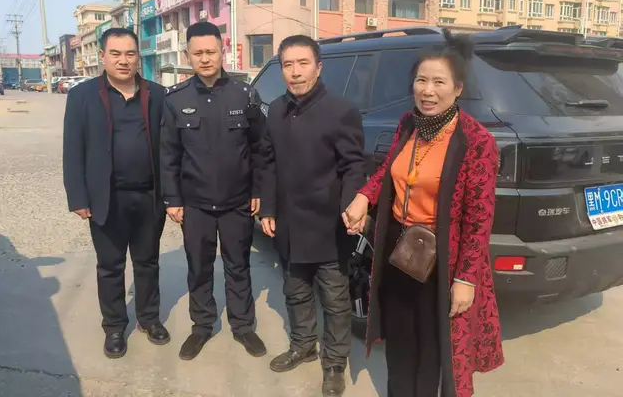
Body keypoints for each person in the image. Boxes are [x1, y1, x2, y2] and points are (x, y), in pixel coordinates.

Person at [343, 30, 504, 397]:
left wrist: (466, 279)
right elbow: (388, 171)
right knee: (400, 340)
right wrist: (363, 197)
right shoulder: (408, 124)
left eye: (439, 82)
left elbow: (479, 219)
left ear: (458, 89)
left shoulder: (476, 141)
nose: (428, 91)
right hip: (399, 250)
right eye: (421, 80)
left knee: (432, 348)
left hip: (442, 259)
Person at [259, 35, 366, 397]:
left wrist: (351, 206)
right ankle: (303, 345)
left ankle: (334, 364)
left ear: (318, 67)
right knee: (295, 290)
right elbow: (268, 163)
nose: (295, 72)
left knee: (335, 300)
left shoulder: (340, 110)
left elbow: (353, 166)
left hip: (328, 223)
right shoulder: (276, 110)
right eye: (288, 65)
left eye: (303, 63)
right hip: (289, 222)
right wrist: (268, 208)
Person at [160, 22, 266, 361]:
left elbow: (260, 147)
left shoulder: (244, 94)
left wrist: (258, 190)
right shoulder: (175, 99)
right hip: (195, 204)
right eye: (198, 53)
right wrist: (172, 199)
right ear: (188, 55)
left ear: (223, 52)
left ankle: (243, 326)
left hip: (237, 202)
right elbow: (168, 154)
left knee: (238, 265)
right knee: (199, 267)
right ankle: (202, 327)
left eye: (211, 52)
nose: (205, 59)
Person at [63, 28, 170, 359]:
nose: (123, 61)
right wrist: (78, 197)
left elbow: (169, 147)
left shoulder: (157, 94)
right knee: (110, 265)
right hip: (106, 198)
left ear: (138, 57)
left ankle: (149, 319)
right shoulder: (82, 96)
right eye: (116, 54)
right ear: (103, 57)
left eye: (130, 54)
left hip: (149, 196)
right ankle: (113, 327)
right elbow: (73, 149)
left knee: (147, 262)